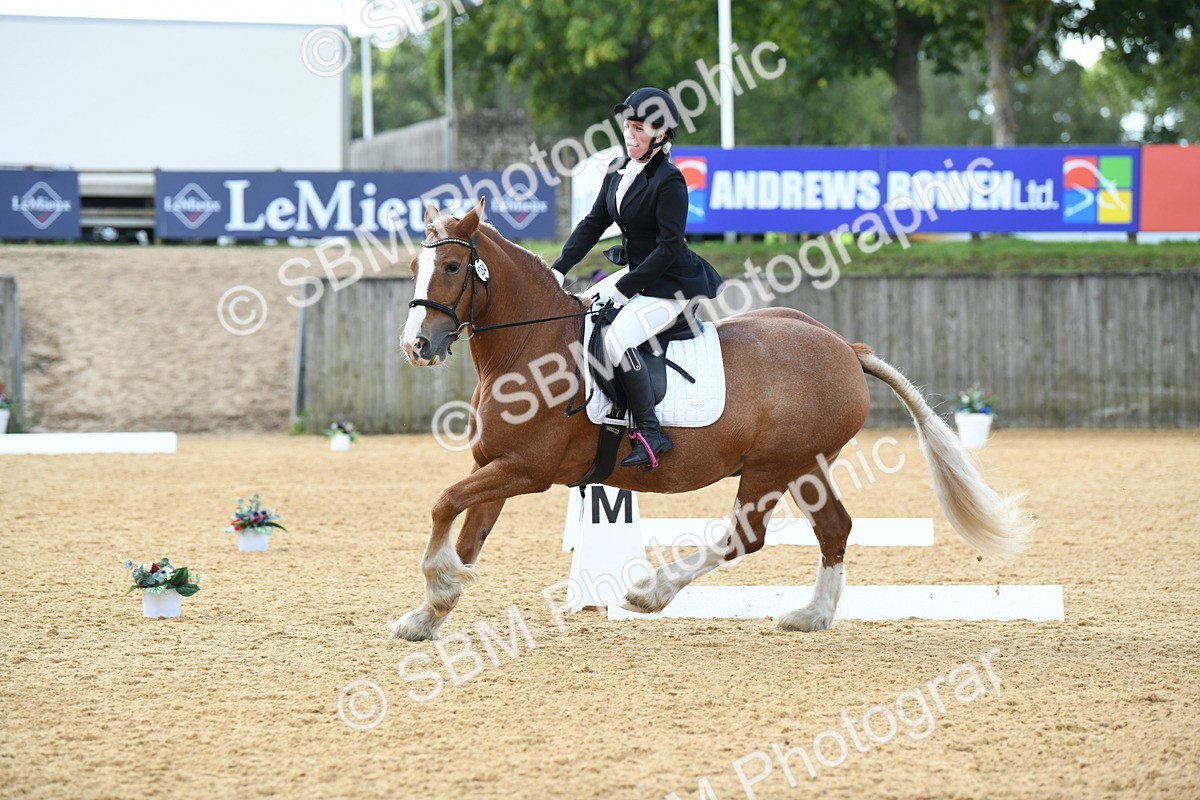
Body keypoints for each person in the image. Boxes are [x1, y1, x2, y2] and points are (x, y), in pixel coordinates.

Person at [552, 87, 723, 469]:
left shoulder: (671, 181)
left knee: (616, 339)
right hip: (638, 273)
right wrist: (558, 268)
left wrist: (624, 288)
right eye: (628, 127)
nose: (630, 135)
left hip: (671, 283)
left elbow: (666, 248)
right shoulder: (617, 170)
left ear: (661, 135)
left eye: (639, 128)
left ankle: (650, 430)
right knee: (584, 313)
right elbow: (594, 223)